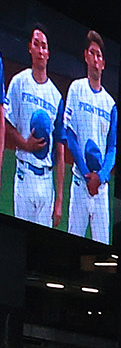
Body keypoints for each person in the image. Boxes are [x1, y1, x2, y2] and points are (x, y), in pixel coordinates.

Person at [59, 30, 117, 243]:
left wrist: (100, 176)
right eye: (92, 53)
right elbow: (69, 134)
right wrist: (85, 173)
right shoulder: (76, 89)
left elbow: (112, 147)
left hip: (101, 188)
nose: (95, 59)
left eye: (99, 55)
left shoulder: (110, 104)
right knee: (72, 240)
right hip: (80, 183)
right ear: (85, 56)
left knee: (102, 243)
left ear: (103, 63)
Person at [4, 29, 62, 228]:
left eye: (43, 46)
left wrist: (59, 200)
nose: (40, 49)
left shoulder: (56, 96)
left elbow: (60, 150)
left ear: (48, 52)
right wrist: (24, 144)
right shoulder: (19, 83)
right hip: (24, 174)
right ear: (30, 48)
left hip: (47, 181)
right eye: (36, 44)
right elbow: (6, 124)